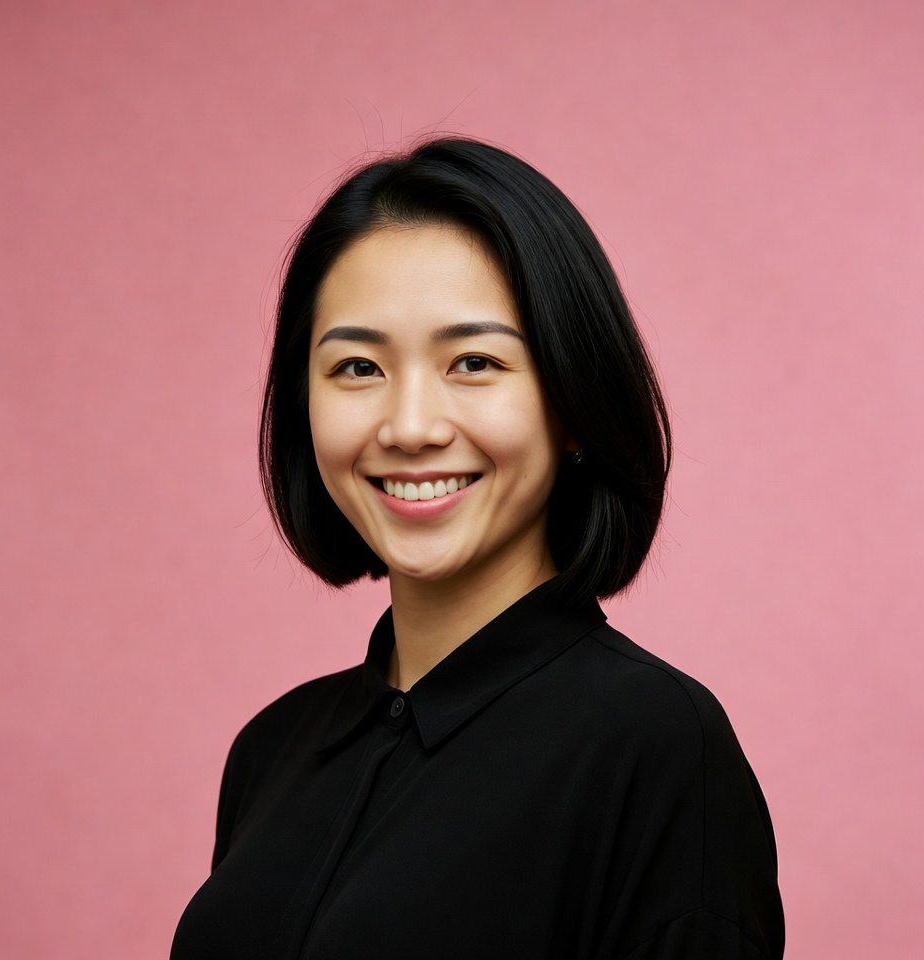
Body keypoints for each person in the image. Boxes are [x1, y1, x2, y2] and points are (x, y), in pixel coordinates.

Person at [170, 138, 784, 959]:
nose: (411, 426)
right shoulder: (271, 751)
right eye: (357, 366)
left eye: (474, 361)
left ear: (571, 401)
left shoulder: (659, 749)